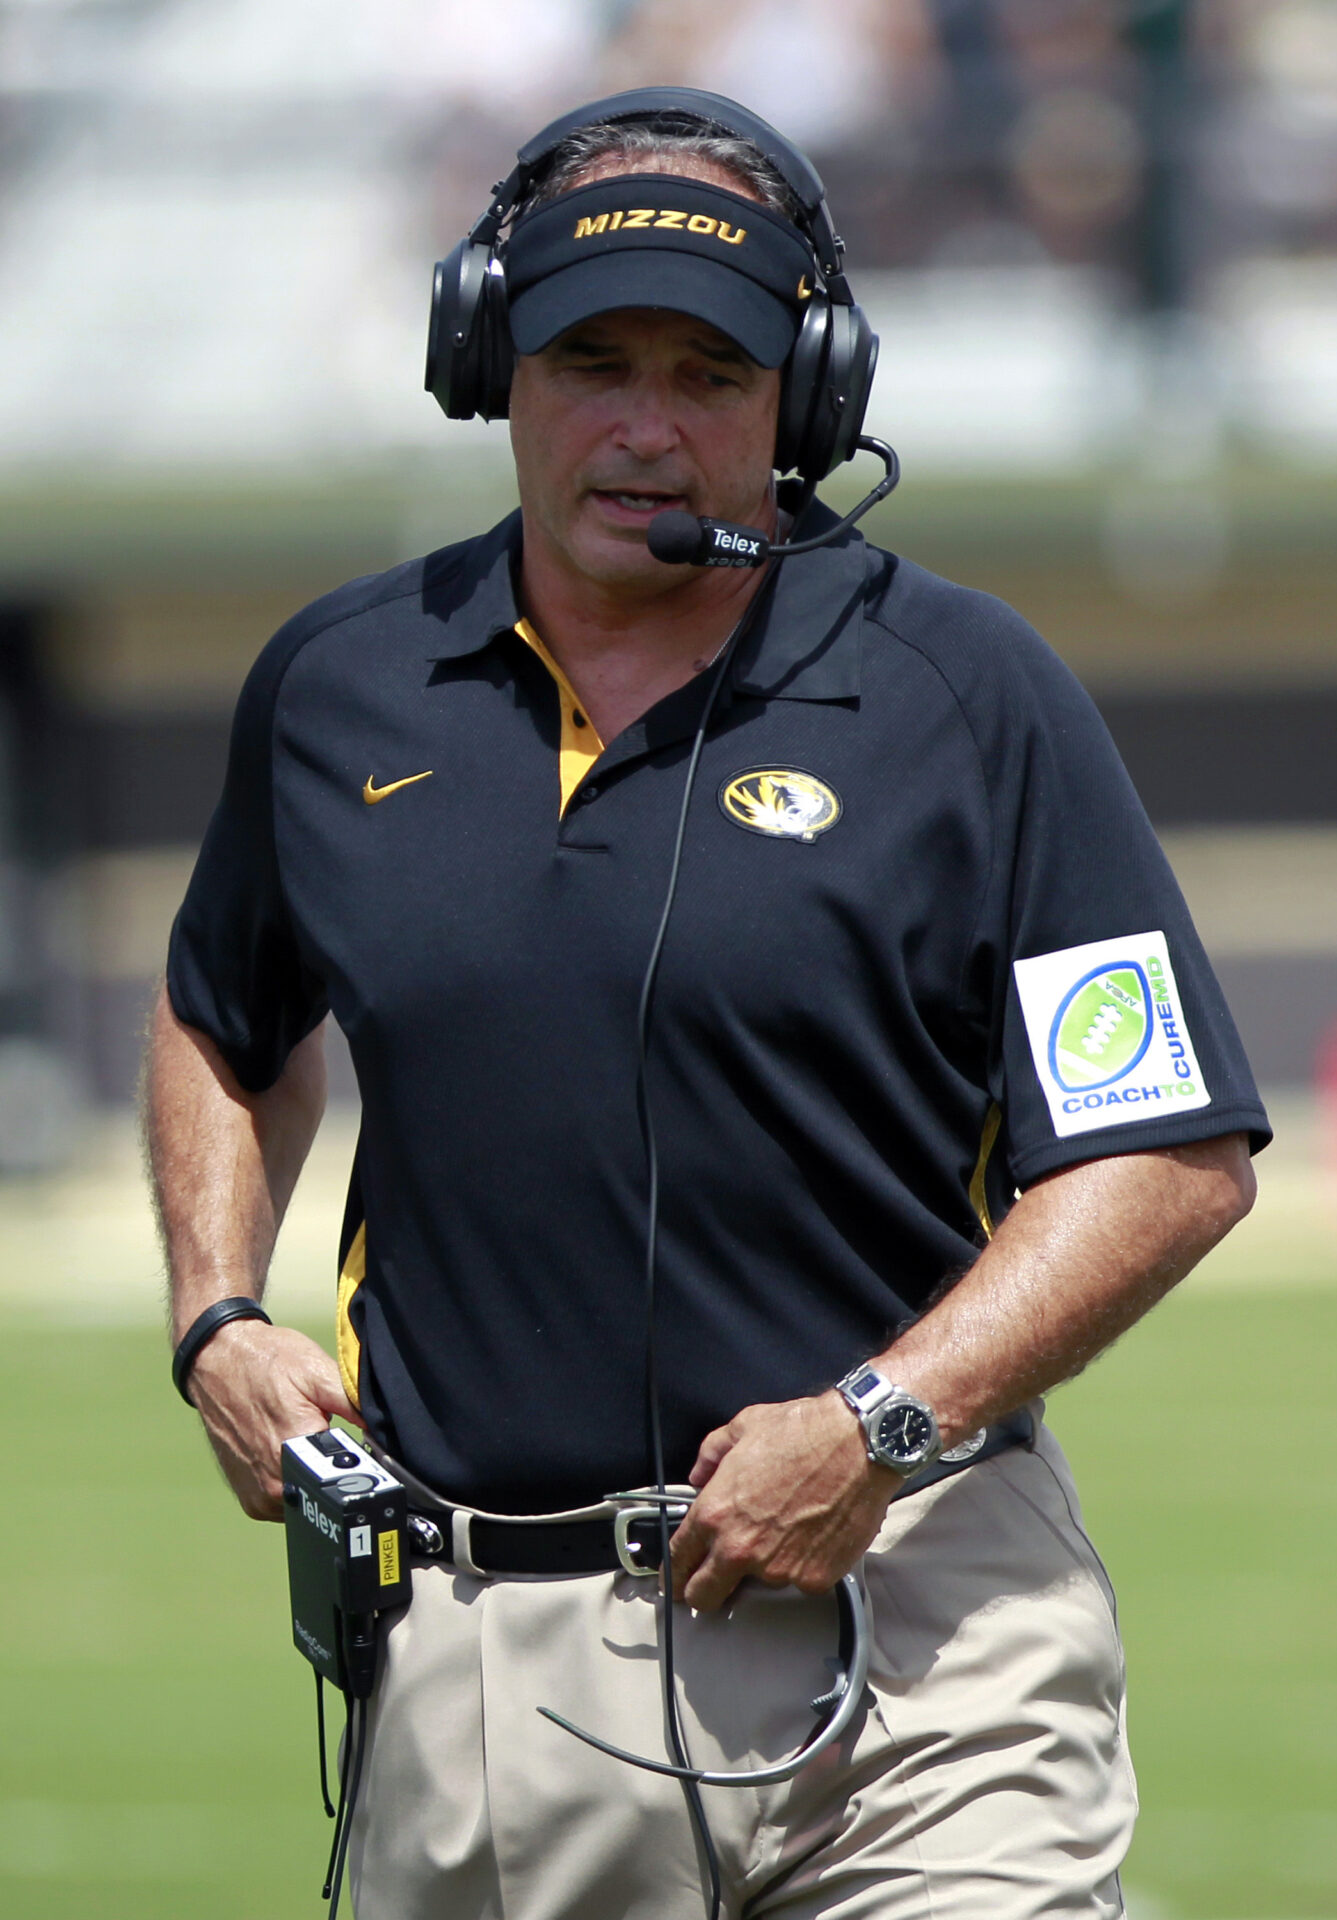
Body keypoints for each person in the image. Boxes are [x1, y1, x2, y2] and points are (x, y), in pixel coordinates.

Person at [145, 88, 1269, 1920]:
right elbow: (219, 1018)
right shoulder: (338, 686)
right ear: (487, 363)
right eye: (593, 364)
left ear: (804, 398)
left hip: (922, 1622)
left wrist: (882, 1418)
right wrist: (215, 1314)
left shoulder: (966, 694)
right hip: (485, 1658)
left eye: (711, 376)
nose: (647, 428)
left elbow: (1166, 1153)